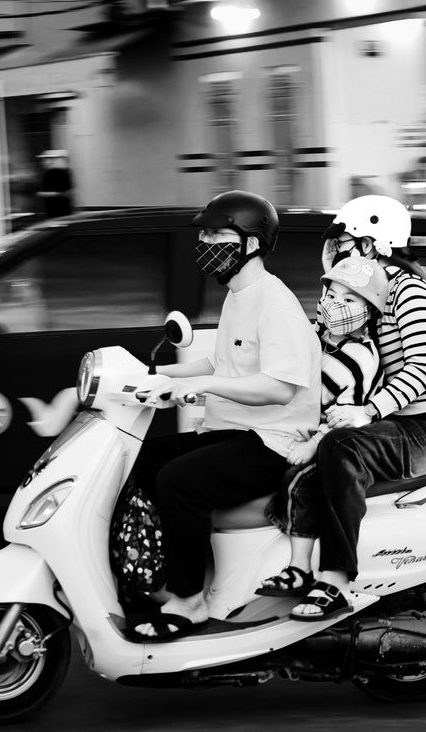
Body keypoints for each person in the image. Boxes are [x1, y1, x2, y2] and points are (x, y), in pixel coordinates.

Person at [129, 190, 322, 641]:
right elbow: (223, 365)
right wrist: (151, 375)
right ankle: (153, 577)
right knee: (140, 461)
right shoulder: (239, 295)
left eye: (218, 234)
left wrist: (194, 387)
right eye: (206, 234)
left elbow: (279, 386)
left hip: (272, 442)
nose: (205, 242)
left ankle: (190, 601)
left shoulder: (274, 303)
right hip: (231, 430)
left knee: (178, 481)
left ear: (251, 244)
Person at [289, 194, 426, 622]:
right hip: (403, 423)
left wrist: (366, 413)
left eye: (345, 244)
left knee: (341, 448)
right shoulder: (365, 294)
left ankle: (334, 582)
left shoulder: (409, 290)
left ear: (370, 245)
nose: (339, 255)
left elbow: (425, 365)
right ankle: (295, 568)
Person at [255, 255, 386, 598]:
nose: (334, 305)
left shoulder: (359, 358)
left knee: (299, 481)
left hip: (336, 438)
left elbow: (341, 417)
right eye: (331, 295)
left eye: (349, 299)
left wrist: (313, 444)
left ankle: (300, 567)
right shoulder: (319, 334)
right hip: (300, 427)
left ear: (369, 310)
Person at [36, 149, 73, 218]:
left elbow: (44, 192)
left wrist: (41, 193)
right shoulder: (65, 172)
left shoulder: (52, 174)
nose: (43, 162)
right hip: (63, 211)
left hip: (56, 211)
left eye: (45, 159)